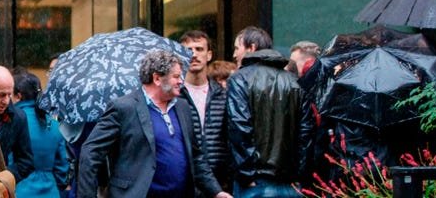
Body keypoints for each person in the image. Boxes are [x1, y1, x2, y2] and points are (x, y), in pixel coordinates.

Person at [77, 49, 230, 198]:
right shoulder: (124, 108)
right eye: (176, 76)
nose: (181, 81)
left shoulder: (182, 107)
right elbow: (91, 153)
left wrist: (216, 191)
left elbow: (195, 157)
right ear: (157, 79)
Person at [227, 26, 302, 197]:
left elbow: (239, 129)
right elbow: (305, 134)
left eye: (237, 48)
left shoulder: (240, 79)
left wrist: (246, 175)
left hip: (255, 182)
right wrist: (299, 175)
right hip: (290, 183)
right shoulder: (294, 81)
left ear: (251, 48)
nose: (234, 54)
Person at [179, 30, 230, 192]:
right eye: (188, 50)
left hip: (220, 179)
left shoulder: (223, 95)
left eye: (199, 49)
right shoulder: (174, 96)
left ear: (209, 55)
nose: (193, 54)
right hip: (183, 179)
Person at [12, 71, 71, 198]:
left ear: (18, 96)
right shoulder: (54, 124)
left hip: (19, 190)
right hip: (51, 192)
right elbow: (62, 166)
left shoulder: (12, 121)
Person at [0, 66, 34, 183]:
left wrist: (2, 181)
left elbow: (25, 162)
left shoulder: (18, 117)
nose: (6, 101)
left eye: (9, 95)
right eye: (1, 95)